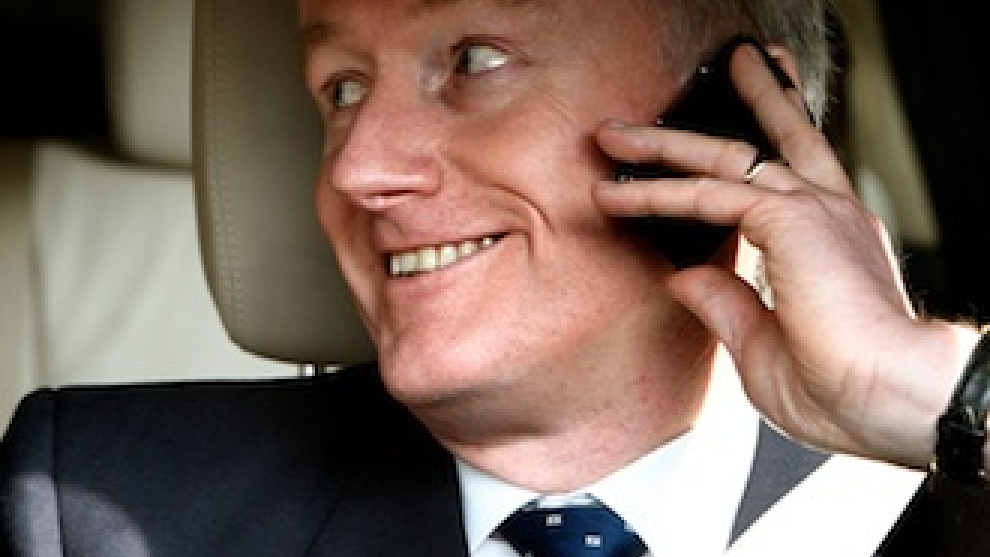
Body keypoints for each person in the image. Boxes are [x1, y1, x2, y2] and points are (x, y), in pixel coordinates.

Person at [3, 0, 990, 556]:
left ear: (738, 110)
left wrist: (932, 396)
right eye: (342, 89)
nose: (356, 168)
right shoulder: (90, 505)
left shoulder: (943, 501)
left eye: (474, 59)